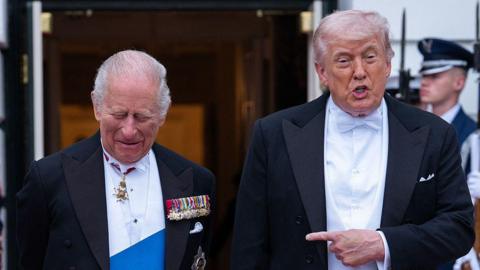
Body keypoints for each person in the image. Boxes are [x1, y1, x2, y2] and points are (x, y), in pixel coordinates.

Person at [231, 10, 474, 270]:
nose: (360, 72)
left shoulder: (435, 134)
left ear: (388, 64)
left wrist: (384, 244)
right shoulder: (273, 134)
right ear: (322, 72)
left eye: (370, 57)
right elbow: (249, 244)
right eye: (344, 61)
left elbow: (458, 228)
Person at [16, 50, 215, 270]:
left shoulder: (197, 181)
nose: (129, 131)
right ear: (97, 106)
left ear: (162, 113)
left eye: (142, 116)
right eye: (119, 115)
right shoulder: (49, 179)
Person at [418, 38, 476, 145]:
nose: (424, 82)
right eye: (424, 76)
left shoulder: (472, 135)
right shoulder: (417, 125)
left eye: (434, 76)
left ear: (459, 83)